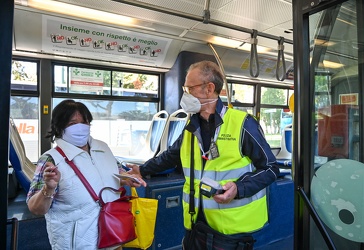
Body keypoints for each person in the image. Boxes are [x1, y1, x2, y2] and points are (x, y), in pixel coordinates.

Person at [128, 60, 280, 250]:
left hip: (230, 227)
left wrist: (239, 187)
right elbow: (171, 156)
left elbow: (271, 168)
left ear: (209, 89)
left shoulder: (243, 124)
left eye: (190, 88)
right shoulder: (191, 127)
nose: (185, 94)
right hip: (195, 223)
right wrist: (141, 170)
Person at [27, 99, 146, 250]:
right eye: (72, 123)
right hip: (77, 244)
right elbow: (35, 208)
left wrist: (128, 178)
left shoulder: (102, 148)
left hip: (113, 236)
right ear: (59, 127)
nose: (80, 127)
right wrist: (48, 189)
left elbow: (113, 174)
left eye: (84, 122)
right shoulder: (50, 159)